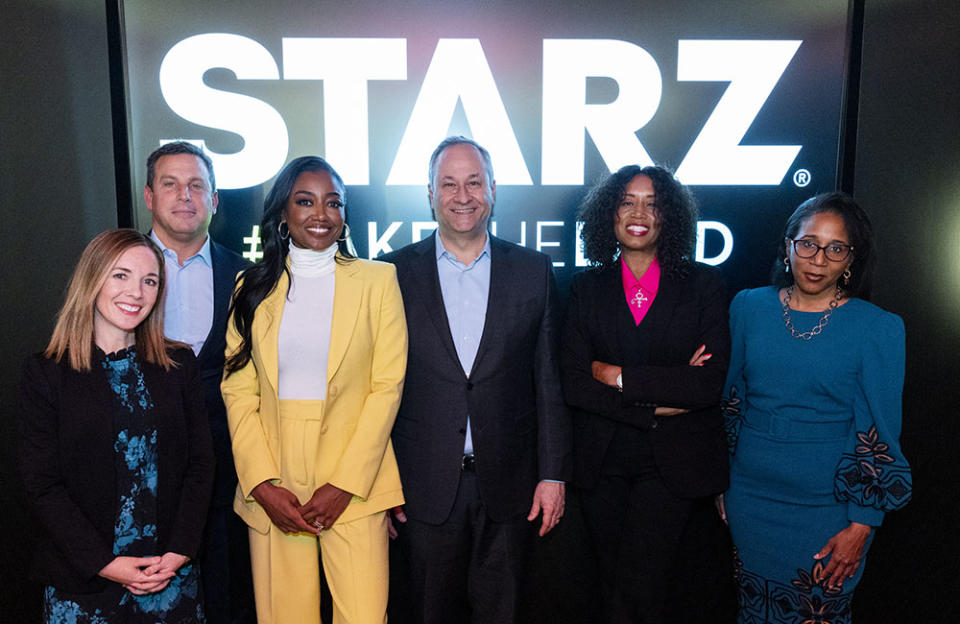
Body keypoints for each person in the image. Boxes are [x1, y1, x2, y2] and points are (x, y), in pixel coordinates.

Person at [381, 136, 571, 624]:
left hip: (509, 487)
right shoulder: (390, 275)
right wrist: (377, 487)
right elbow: (376, 389)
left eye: (473, 182)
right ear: (430, 193)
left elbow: (548, 381)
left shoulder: (533, 271)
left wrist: (552, 474)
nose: (462, 195)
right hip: (421, 491)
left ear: (492, 189)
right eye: (449, 184)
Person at [221, 156, 407, 624]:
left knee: (364, 616)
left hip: (355, 473)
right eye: (305, 201)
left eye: (333, 203)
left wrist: (345, 483)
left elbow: (387, 386)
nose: (320, 214)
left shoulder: (378, 280)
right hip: (273, 468)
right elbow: (239, 390)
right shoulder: (250, 286)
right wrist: (261, 482)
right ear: (282, 214)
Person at [721, 192, 912, 623]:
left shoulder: (877, 327)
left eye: (835, 249)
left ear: (851, 260)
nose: (818, 258)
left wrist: (863, 522)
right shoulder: (748, 307)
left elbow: (879, 431)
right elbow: (731, 401)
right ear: (788, 247)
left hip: (828, 509)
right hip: (750, 500)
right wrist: (721, 480)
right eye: (807, 243)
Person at [560, 164, 730, 623]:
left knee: (642, 584)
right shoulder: (585, 288)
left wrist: (616, 375)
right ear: (609, 214)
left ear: (668, 217)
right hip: (602, 463)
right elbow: (575, 383)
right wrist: (656, 402)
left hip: (671, 465)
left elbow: (705, 385)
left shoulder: (703, 286)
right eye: (627, 201)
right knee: (610, 582)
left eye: (653, 203)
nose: (639, 212)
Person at [19, 228, 214, 623]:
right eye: (120, 275)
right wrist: (105, 563)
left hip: (170, 577)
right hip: (85, 583)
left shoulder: (179, 366)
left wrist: (180, 551)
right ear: (92, 279)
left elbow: (201, 464)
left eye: (149, 281)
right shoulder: (46, 373)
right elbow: (42, 485)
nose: (136, 292)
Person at [143, 141, 255, 624]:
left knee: (229, 596)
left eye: (196, 186)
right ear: (149, 197)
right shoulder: (115, 271)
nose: (184, 195)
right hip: (137, 469)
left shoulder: (249, 278)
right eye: (170, 184)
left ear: (214, 200)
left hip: (228, 474)